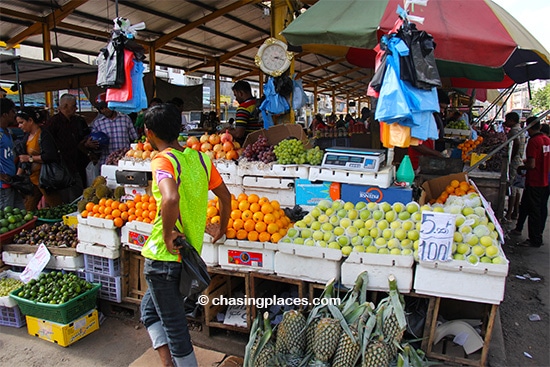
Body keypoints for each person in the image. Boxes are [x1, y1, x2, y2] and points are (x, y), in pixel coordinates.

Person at [139, 103, 231, 367]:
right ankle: (168, 363)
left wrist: (167, 235)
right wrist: (221, 228)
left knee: (176, 328)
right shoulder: (201, 159)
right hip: (186, 257)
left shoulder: (163, 159)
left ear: (149, 133)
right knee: (149, 312)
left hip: (164, 257)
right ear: (179, 129)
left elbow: (170, 197)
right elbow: (226, 197)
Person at [511, 117, 550, 248]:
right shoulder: (547, 140)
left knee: (534, 211)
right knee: (529, 207)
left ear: (528, 126)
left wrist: (521, 167)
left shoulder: (534, 142)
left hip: (534, 181)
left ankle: (535, 239)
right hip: (544, 180)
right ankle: (520, 229)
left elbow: (532, 164)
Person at [44, 93, 91, 201]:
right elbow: (47, 143)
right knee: (66, 197)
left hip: (75, 164)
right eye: (74, 106)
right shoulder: (54, 122)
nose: (76, 108)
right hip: (61, 167)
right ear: (65, 106)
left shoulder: (75, 121)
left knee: (78, 194)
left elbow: (77, 141)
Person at [15, 108, 63, 211]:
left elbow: (50, 156)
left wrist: (30, 159)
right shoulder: (27, 136)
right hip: (32, 180)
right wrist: (17, 177)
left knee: (57, 208)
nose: (19, 126)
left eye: (21, 122)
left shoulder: (43, 134)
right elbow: (22, 159)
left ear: (30, 121)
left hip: (45, 180)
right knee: (28, 209)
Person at [91, 93, 138, 166]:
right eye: (101, 108)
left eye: (106, 107)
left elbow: (135, 139)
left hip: (125, 161)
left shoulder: (125, 119)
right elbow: (94, 145)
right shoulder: (97, 124)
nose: (105, 110)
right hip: (106, 162)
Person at [0, 98, 24, 209]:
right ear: (4, 114)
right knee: (6, 218)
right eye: (12, 112)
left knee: (20, 213)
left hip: (12, 182)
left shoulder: (8, 132)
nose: (14, 115)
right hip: (2, 186)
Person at [504, 112, 526, 221]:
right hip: (520, 160)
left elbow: (516, 143)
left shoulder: (514, 131)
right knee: (517, 188)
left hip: (515, 161)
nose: (506, 122)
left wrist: (511, 157)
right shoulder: (521, 129)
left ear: (511, 120)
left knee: (512, 187)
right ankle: (515, 211)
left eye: (507, 120)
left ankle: (509, 213)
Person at [229, 81, 260, 145]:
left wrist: (227, 131)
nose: (236, 99)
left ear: (241, 93)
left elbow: (238, 134)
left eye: (236, 95)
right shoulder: (260, 104)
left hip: (249, 146)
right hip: (261, 143)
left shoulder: (243, 108)